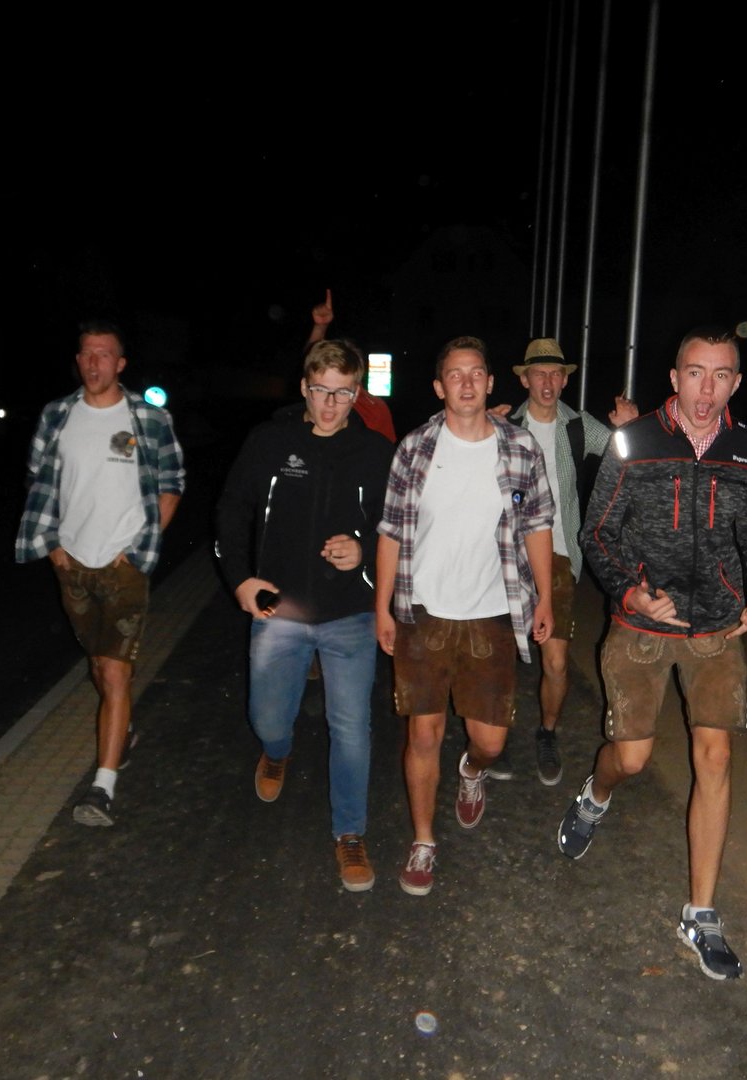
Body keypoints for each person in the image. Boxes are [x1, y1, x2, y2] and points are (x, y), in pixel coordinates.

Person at [558, 325, 747, 980]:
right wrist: (630, 592)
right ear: (674, 377)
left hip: (716, 631)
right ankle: (596, 793)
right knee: (631, 759)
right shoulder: (635, 442)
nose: (706, 388)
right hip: (641, 626)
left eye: (720, 375)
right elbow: (597, 534)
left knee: (714, 756)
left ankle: (701, 913)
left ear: (736, 383)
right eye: (695, 372)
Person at [375, 335, 554, 896]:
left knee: (491, 742)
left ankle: (472, 771)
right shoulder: (414, 449)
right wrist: (382, 606)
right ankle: (423, 840)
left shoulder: (519, 447)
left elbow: (538, 524)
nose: (467, 383)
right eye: (455, 374)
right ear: (439, 386)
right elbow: (390, 531)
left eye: (476, 372)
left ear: (491, 381)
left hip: (493, 612)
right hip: (423, 611)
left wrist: (545, 597)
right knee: (423, 733)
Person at [215, 339, 393, 891]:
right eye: (321, 391)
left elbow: (394, 527)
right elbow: (231, 509)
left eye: (342, 393)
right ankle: (277, 751)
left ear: (357, 394)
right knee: (268, 718)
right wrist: (241, 580)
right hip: (279, 607)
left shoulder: (375, 452)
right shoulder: (270, 442)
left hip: (350, 613)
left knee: (352, 727)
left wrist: (363, 549)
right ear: (304, 388)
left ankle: (350, 833)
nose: (330, 404)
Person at [16, 320, 185, 827]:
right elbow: (39, 479)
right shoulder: (57, 415)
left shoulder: (147, 418)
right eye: (87, 354)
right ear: (78, 361)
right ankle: (123, 730)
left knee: (115, 672)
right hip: (72, 563)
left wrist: (137, 549)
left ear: (121, 364)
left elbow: (172, 483)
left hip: (123, 565)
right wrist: (53, 547)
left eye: (104, 354)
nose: (94, 363)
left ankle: (102, 787)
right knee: (96, 664)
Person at [491, 337, 638, 786]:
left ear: (565, 379)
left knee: (555, 661)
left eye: (555, 373)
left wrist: (629, 429)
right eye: (539, 373)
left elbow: (628, 460)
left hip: (558, 555)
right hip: (505, 555)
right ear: (524, 379)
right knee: (498, 656)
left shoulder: (578, 426)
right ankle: (493, 737)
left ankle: (547, 732)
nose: (548, 381)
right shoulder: (504, 425)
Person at [306, 288, 397, 442]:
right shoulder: (314, 393)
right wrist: (320, 328)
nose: (330, 402)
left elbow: (384, 451)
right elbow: (311, 364)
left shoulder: (375, 408)